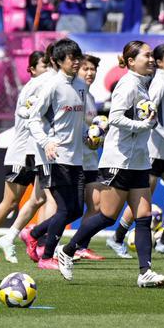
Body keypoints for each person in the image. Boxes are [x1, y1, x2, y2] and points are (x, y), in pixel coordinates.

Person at [56, 41, 164, 288]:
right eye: (147, 56)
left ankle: (145, 272)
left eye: (152, 56)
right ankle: (67, 250)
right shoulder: (127, 85)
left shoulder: (143, 84)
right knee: (107, 216)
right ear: (131, 61)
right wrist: (142, 125)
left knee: (144, 216)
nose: (151, 59)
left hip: (138, 161)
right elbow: (115, 118)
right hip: (119, 161)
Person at [111, 43, 164, 260]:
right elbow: (148, 117)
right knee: (141, 200)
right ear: (160, 61)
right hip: (153, 151)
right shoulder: (158, 85)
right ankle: (117, 238)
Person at [0, 51, 50, 263]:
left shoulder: (45, 88)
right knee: (10, 203)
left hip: (37, 152)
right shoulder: (33, 89)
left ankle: (24, 239)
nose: (47, 71)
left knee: (41, 198)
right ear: (32, 70)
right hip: (22, 153)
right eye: (43, 66)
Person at [22, 39, 87, 272]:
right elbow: (33, 119)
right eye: (72, 57)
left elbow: (78, 121)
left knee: (77, 210)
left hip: (76, 157)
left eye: (78, 55)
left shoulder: (80, 85)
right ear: (59, 61)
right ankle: (46, 256)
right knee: (63, 209)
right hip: (55, 157)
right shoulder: (51, 86)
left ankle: (35, 232)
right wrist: (47, 142)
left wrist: (89, 134)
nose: (77, 60)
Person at [70, 55, 106, 261]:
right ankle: (38, 237)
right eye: (86, 69)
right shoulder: (76, 94)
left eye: (93, 69)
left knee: (96, 205)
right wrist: (88, 136)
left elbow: (91, 130)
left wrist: (99, 133)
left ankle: (80, 246)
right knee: (69, 208)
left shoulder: (90, 96)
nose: (90, 73)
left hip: (91, 159)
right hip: (76, 160)